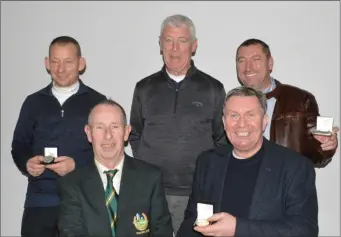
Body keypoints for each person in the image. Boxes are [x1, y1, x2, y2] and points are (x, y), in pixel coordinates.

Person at [128, 14, 227, 234]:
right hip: (151, 191)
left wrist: (207, 177)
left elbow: (221, 139)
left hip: (196, 193)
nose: (174, 49)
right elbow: (134, 134)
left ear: (193, 46)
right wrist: (147, 164)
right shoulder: (144, 88)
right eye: (168, 41)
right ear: (160, 44)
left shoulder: (213, 89)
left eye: (182, 41)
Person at [177, 86, 318, 237]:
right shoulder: (207, 162)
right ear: (224, 122)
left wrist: (238, 229)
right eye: (234, 115)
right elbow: (192, 219)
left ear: (264, 121)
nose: (242, 124)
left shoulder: (296, 167)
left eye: (250, 115)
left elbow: (304, 231)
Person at [11, 36, 106, 237]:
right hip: (39, 201)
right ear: (47, 63)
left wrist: (77, 165)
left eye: (68, 62)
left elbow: (108, 151)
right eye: (55, 62)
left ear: (81, 64)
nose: (61, 69)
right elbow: (19, 144)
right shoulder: (32, 102)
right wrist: (27, 163)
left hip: (84, 201)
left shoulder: (98, 103)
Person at [58, 99, 173, 237]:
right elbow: (71, 233)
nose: (108, 135)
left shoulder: (151, 177)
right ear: (89, 133)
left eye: (115, 126)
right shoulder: (72, 183)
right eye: (100, 127)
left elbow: (162, 232)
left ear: (126, 132)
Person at [235, 38, 338, 167]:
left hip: (288, 184)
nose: (248, 68)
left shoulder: (301, 100)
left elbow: (318, 156)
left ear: (270, 63)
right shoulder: (228, 105)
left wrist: (326, 146)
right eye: (241, 61)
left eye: (256, 60)